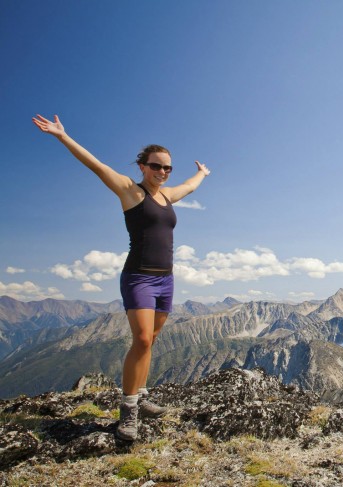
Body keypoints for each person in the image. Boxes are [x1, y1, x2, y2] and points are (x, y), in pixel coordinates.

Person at [32, 114, 210, 441]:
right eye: (156, 166)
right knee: (142, 339)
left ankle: (141, 396)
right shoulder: (131, 191)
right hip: (139, 277)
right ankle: (128, 410)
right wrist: (62, 136)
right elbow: (96, 165)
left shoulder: (166, 196)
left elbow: (189, 186)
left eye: (167, 168)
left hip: (165, 279)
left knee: (151, 341)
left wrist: (201, 173)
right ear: (142, 166)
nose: (162, 172)